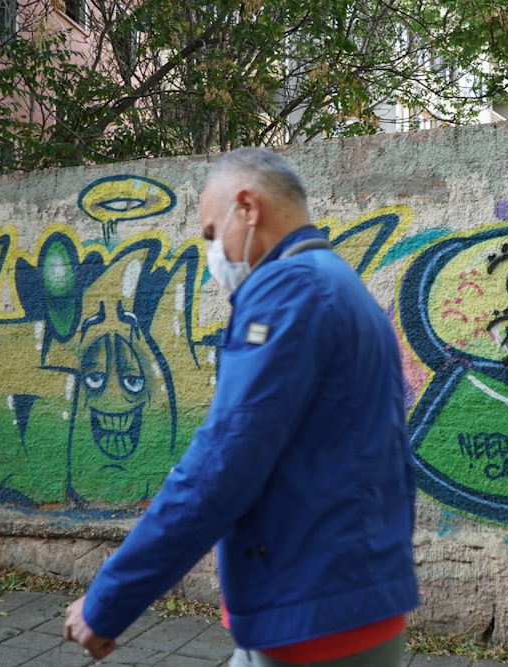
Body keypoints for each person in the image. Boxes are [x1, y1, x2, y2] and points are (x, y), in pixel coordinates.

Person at [64, 147, 418, 666]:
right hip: (347, 595)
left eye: (211, 233)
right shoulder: (339, 285)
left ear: (247, 208)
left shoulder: (288, 291)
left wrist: (109, 600)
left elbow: (221, 464)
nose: (212, 261)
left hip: (313, 613)